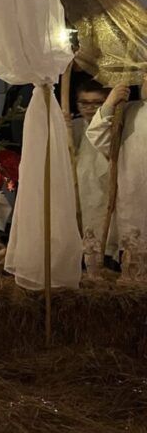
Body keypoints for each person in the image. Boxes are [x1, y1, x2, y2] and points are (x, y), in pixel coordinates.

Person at [85, 73, 147, 279]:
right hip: (134, 200)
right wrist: (110, 104)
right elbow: (100, 138)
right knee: (134, 272)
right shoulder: (128, 111)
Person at [69, 79, 117, 268]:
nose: (89, 108)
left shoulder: (114, 126)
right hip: (80, 189)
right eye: (84, 103)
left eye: (96, 103)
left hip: (103, 189)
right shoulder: (73, 126)